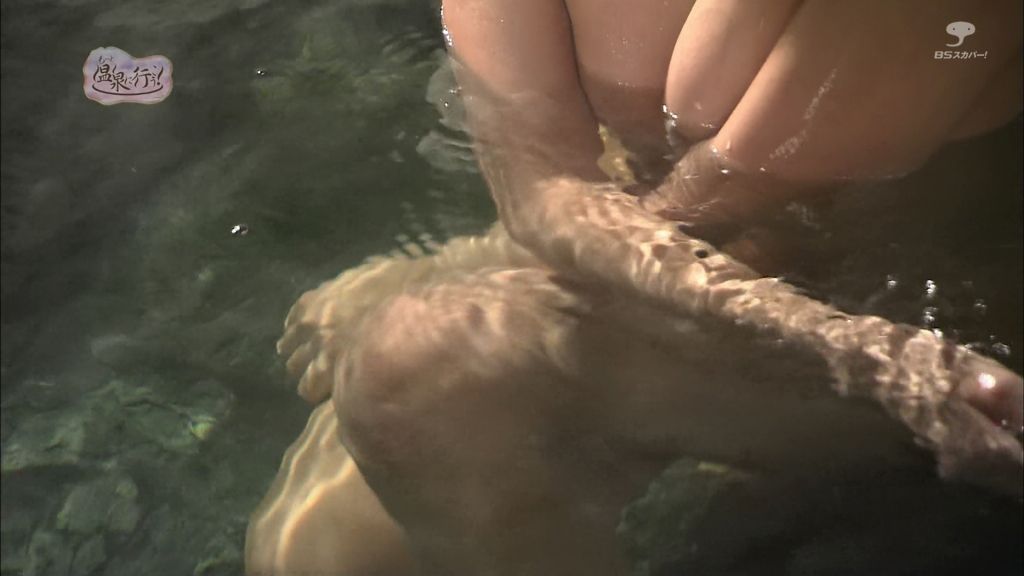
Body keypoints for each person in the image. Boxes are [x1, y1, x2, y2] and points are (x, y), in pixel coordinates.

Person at [246, 1, 1023, 574]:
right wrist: (475, 259)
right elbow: (539, 187)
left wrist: (877, 359)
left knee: (417, 374)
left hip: (935, 329)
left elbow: (716, 205)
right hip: (724, 288)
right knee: (316, 556)